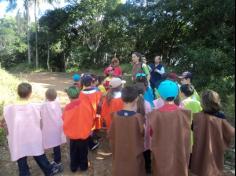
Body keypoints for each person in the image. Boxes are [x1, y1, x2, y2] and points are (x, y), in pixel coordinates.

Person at [3, 83, 60, 176]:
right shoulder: (36, 107)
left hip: (18, 138)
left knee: (21, 158)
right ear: (30, 93)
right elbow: (43, 118)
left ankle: (24, 174)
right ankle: (49, 171)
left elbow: (3, 121)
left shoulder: (9, 108)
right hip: (33, 137)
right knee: (39, 154)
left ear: (18, 93)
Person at [149, 80, 191, 176]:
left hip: (161, 150)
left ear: (160, 95)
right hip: (178, 149)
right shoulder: (185, 113)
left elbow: (151, 133)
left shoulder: (154, 114)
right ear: (176, 95)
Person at [190, 90, 235, 176]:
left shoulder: (197, 116)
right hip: (216, 148)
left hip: (201, 147)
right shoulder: (221, 116)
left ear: (202, 102)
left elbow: (192, 128)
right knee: (214, 168)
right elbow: (229, 132)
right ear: (216, 101)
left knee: (201, 167)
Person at [109, 86, 146, 176]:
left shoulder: (114, 115)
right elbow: (143, 133)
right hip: (134, 150)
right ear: (136, 98)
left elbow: (111, 133)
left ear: (121, 98)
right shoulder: (138, 117)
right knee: (135, 168)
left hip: (119, 149)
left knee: (119, 167)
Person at [63, 85, 93, 172]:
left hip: (73, 135)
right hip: (83, 134)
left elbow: (64, 119)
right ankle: (83, 166)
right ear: (79, 94)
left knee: (73, 152)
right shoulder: (85, 104)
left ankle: (73, 167)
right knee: (83, 152)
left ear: (68, 96)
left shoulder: (67, 107)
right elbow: (90, 117)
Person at [40, 88, 66, 171]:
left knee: (53, 141)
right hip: (57, 126)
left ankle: (57, 160)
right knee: (56, 143)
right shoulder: (57, 103)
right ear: (55, 97)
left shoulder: (44, 105)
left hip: (49, 127)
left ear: (46, 96)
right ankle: (57, 159)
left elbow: (41, 112)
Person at [79, 75, 102, 150]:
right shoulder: (97, 92)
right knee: (92, 128)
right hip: (95, 114)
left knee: (87, 128)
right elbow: (99, 104)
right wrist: (98, 114)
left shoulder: (80, 94)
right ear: (92, 82)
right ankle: (91, 143)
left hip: (85, 115)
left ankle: (90, 142)